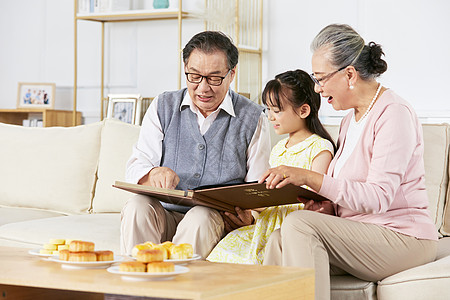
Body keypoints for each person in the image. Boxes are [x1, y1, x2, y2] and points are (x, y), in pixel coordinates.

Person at [261, 24, 438, 300]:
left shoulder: (394, 114)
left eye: (320, 79)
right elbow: (347, 193)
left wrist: (309, 177)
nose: (318, 89)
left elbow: (378, 198)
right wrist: (327, 208)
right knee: (279, 239)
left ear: (350, 75)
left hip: (403, 238)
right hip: (362, 234)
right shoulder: (348, 121)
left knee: (299, 224)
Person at [120, 31, 271, 258]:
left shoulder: (253, 117)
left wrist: (250, 217)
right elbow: (136, 165)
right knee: (137, 207)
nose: (203, 88)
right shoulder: (163, 106)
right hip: (164, 215)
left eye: (214, 78)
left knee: (200, 216)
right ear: (185, 69)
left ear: (232, 74)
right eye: (195, 76)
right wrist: (153, 173)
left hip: (209, 220)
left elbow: (258, 190)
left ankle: (180, 290)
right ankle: (136, 286)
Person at [206, 69, 335, 264]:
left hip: (294, 226)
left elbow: (318, 194)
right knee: (223, 251)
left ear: (303, 111)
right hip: (266, 225)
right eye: (268, 109)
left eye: (277, 110)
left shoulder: (319, 147)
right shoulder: (278, 149)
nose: (270, 117)